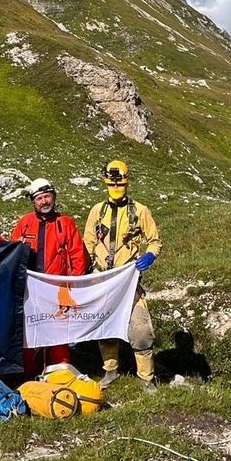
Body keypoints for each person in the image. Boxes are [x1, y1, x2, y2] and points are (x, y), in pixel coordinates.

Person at [83, 160, 162, 392]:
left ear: (127, 181)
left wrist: (149, 256)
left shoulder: (140, 211)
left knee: (140, 329)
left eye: (120, 181)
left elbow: (155, 241)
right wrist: (88, 269)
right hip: (103, 279)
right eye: (112, 181)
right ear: (106, 181)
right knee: (105, 325)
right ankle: (110, 371)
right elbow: (88, 241)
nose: (116, 185)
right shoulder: (98, 211)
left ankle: (146, 378)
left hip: (129, 280)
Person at [11, 178, 89, 375]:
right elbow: (11, 253)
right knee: (28, 331)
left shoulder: (66, 223)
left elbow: (78, 255)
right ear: (33, 201)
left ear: (53, 197)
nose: (44, 201)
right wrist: (17, 247)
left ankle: (60, 372)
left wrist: (76, 285)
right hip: (31, 288)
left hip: (58, 288)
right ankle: (26, 373)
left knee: (59, 332)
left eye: (47, 196)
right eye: (39, 198)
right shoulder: (25, 223)